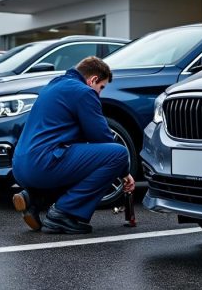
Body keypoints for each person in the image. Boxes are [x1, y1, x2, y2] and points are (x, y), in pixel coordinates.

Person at [11, 56, 134, 234]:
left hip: (20, 167)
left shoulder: (53, 85)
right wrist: (125, 172)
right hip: (42, 164)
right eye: (101, 88)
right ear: (93, 80)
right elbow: (101, 136)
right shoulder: (83, 92)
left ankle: (34, 198)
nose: (99, 93)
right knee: (118, 154)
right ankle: (65, 213)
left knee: (78, 157)